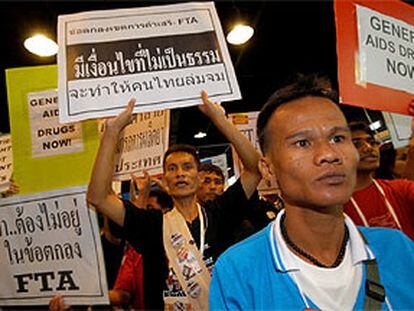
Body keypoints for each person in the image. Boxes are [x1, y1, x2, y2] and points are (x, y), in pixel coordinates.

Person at [209, 74, 414, 310]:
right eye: (302, 143)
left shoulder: (399, 250)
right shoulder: (238, 271)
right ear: (268, 167)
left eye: (338, 138)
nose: (329, 153)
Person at [87, 91, 261, 309]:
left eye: (187, 167)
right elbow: (98, 197)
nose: (180, 173)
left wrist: (219, 119)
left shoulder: (219, 213)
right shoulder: (151, 224)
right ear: (165, 181)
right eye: (172, 168)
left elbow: (254, 170)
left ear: (198, 178)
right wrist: (112, 132)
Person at [343, 120, 414, 240]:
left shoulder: (399, 188)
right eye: (357, 144)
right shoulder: (335, 207)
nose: (368, 148)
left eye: (372, 142)